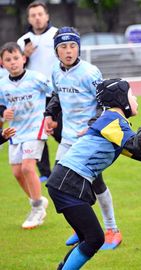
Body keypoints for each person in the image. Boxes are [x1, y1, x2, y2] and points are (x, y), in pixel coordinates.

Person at [46, 78, 141, 269]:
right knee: (95, 238)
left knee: (88, 238)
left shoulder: (113, 124)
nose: (137, 100)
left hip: (65, 180)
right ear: (121, 99)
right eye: (132, 95)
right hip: (68, 181)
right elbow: (135, 144)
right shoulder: (111, 120)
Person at [44, 26, 123, 249]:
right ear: (56, 50)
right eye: (63, 46)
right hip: (68, 139)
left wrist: (91, 127)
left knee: (96, 183)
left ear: (79, 48)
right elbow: (57, 96)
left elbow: (105, 104)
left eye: (72, 46)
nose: (68, 51)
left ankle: (112, 229)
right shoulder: (55, 72)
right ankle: (81, 230)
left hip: (89, 140)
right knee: (59, 185)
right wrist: (49, 114)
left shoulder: (90, 73)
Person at [0, 42, 51, 229]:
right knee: (16, 172)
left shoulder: (37, 78)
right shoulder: (2, 85)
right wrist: (3, 113)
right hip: (15, 131)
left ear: (23, 58)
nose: (13, 63)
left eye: (15, 58)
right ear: (2, 63)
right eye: (8, 60)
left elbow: (53, 94)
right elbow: (1, 106)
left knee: (28, 168)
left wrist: (51, 117)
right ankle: (37, 200)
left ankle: (37, 209)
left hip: (36, 127)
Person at [17, 1, 60, 182]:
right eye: (33, 15)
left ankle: (68, 163)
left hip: (56, 92)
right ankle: (45, 173)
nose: (37, 18)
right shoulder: (23, 41)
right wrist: (25, 55)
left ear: (47, 15)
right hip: (35, 96)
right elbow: (16, 68)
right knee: (38, 134)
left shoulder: (56, 35)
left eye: (40, 14)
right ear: (29, 19)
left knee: (61, 131)